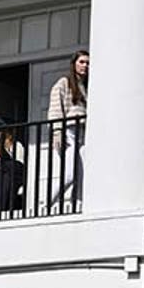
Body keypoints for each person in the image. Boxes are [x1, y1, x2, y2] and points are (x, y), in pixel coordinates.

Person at [45, 51, 88, 207]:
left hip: (84, 132)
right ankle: (46, 203)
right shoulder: (64, 82)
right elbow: (56, 108)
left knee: (82, 175)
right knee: (69, 174)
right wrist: (57, 131)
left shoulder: (86, 87)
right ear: (74, 64)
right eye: (82, 62)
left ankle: (78, 204)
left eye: (87, 63)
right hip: (69, 130)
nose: (85, 66)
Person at [0, 127, 27, 215]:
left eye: (5, 138)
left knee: (6, 168)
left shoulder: (17, 145)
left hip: (15, 174)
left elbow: (20, 164)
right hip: (1, 177)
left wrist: (5, 154)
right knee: (2, 176)